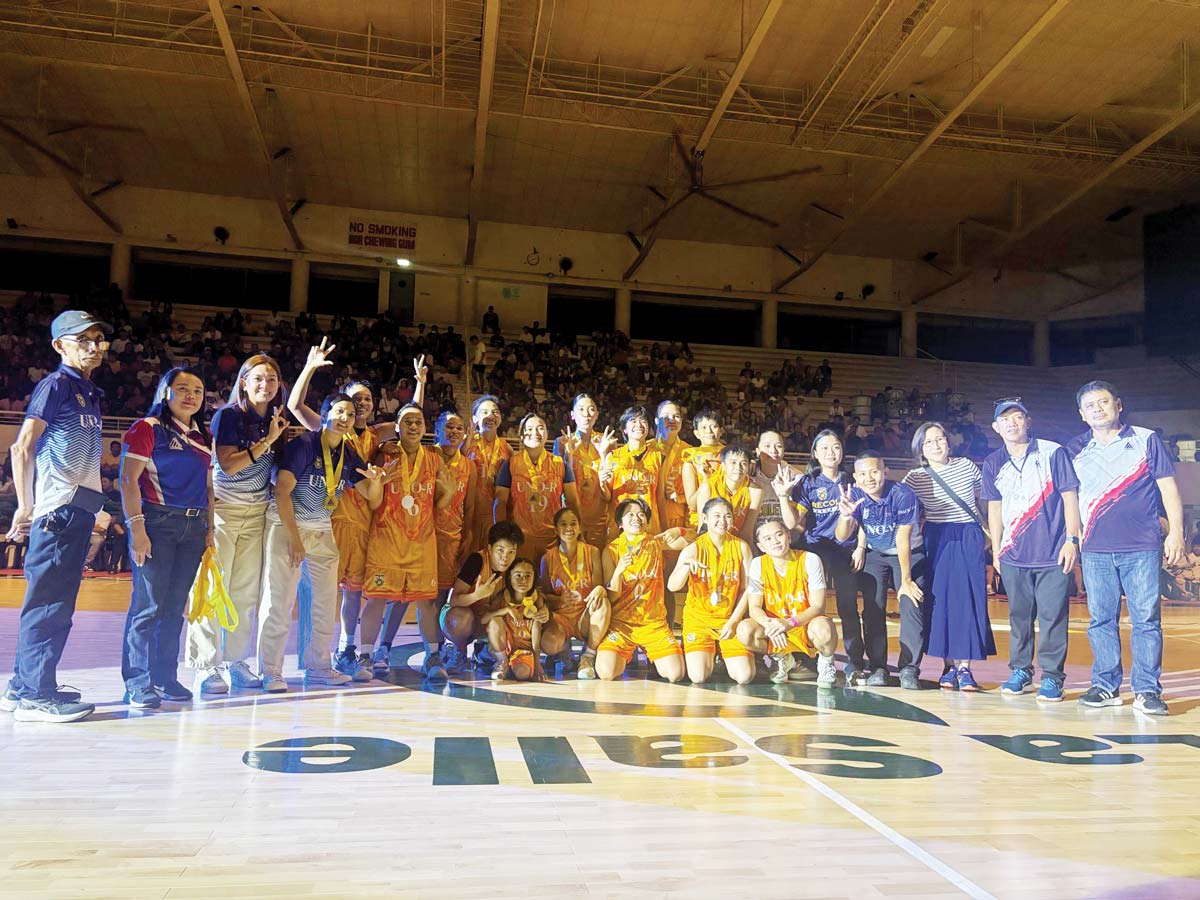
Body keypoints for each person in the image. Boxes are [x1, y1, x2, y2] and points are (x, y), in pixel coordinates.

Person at [288, 342, 428, 681]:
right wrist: (309, 368)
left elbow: (410, 418)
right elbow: (295, 406)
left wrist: (421, 384)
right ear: (341, 406)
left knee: (353, 591)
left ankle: (346, 649)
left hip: (365, 521)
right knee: (320, 592)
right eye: (355, 399)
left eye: (367, 399)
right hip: (329, 520)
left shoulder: (377, 434)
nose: (362, 404)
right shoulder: (329, 428)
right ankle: (311, 658)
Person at [2, 310, 111, 723]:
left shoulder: (88, 392)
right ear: (59, 345)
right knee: (50, 606)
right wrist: (27, 506)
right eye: (82, 338)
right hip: (58, 511)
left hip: (77, 508)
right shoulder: (56, 385)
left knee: (53, 603)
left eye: (97, 338)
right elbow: (21, 447)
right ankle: (35, 694)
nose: (93, 345)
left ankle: (22, 685)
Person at [1068, 381, 1183, 715]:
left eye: (1103, 402)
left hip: (1141, 546)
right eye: (1090, 405)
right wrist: (1073, 539)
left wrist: (1175, 532)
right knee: (1100, 619)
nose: (1098, 409)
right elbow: (1070, 501)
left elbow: (1168, 488)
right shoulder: (1074, 448)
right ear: (1082, 414)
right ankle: (1105, 686)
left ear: (1118, 404)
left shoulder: (1146, 439)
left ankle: (1147, 690)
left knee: (1146, 619)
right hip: (1095, 548)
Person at [257, 394, 385, 692]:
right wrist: (294, 538)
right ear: (325, 414)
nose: (345, 418)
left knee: (326, 602)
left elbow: (373, 499)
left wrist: (377, 481)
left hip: (321, 526)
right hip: (287, 524)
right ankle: (271, 670)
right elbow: (281, 492)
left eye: (350, 414)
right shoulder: (304, 445)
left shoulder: (349, 453)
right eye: (339, 411)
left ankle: (318, 666)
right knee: (280, 600)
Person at [186, 353, 289, 695]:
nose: (265, 385)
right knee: (213, 589)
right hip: (224, 511)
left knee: (245, 592)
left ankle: (235, 660)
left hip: (258, 512)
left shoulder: (277, 418)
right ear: (244, 382)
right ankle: (205, 665)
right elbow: (228, 466)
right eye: (258, 378)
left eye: (271, 379)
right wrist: (269, 442)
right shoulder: (228, 416)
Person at [119, 368, 215, 708]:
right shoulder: (147, 429)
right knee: (148, 607)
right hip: (157, 524)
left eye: (198, 391)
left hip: (193, 527)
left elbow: (208, 487)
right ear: (165, 392)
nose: (191, 395)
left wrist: (210, 529)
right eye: (183, 388)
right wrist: (137, 529)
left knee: (175, 609)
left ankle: (164, 676)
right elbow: (129, 481)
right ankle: (137, 680)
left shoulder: (202, 437)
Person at [983, 399, 1082, 703]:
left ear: (1028, 421)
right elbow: (995, 509)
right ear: (996, 428)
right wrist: (997, 550)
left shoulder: (1053, 452)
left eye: (1017, 417)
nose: (1011, 423)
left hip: (1053, 553)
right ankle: (1021, 672)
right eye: (1005, 419)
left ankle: (1052, 677)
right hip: (1013, 553)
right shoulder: (993, 462)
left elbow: (1069, 497)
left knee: (1053, 617)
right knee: (1019, 617)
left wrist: (1072, 539)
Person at [362, 404, 458, 680]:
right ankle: (367, 656)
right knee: (377, 599)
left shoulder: (434, 460)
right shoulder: (385, 455)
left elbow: (439, 506)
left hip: (421, 542)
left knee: (426, 602)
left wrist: (449, 492)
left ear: (425, 428)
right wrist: (379, 482)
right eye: (407, 422)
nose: (413, 427)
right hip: (387, 540)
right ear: (397, 427)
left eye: (418, 422)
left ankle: (432, 655)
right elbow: (374, 502)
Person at [903, 422, 994, 691]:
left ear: (948, 441)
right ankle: (947, 667)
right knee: (940, 601)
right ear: (920, 448)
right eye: (928, 442)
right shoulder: (914, 477)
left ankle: (964, 668)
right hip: (936, 537)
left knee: (967, 600)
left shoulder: (966, 466)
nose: (936, 445)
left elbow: (986, 499)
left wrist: (991, 533)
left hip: (967, 534)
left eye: (940, 439)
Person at [833, 451, 927, 690]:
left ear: (885, 471)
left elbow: (903, 539)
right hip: (876, 554)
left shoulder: (902, 494)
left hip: (907, 553)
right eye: (863, 474)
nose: (869, 478)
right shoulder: (854, 495)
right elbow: (841, 536)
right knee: (873, 608)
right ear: (856, 477)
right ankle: (878, 668)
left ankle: (909, 668)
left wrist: (906, 580)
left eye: (874, 472)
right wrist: (845, 517)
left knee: (911, 604)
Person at [788, 430, 864, 683]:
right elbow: (795, 521)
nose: (831, 452)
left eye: (836, 447)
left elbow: (865, 519)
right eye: (825, 448)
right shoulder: (808, 483)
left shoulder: (853, 480)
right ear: (815, 454)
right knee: (810, 605)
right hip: (816, 550)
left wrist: (861, 547)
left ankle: (854, 662)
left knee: (848, 607)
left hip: (845, 550)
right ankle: (808, 658)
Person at [736, 517, 838, 686]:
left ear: (788, 536)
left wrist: (789, 622)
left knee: (824, 627)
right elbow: (754, 607)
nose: (775, 541)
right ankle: (781, 657)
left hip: (803, 625)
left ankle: (826, 662)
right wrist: (770, 625)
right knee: (745, 631)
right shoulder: (758, 564)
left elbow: (818, 607)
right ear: (760, 546)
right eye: (767, 539)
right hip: (776, 629)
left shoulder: (810, 560)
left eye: (779, 535)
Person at [596, 498, 689, 682]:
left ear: (647, 521)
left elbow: (695, 539)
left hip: (653, 625)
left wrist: (679, 530)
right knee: (606, 673)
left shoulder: (655, 543)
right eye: (630, 515)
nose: (636, 518)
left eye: (641, 515)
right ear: (620, 523)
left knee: (676, 674)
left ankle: (651, 654)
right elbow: (611, 597)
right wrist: (618, 572)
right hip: (622, 625)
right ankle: (626, 654)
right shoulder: (611, 550)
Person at [667, 498, 753, 684]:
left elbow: (748, 589)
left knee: (744, 677)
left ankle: (722, 653)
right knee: (698, 677)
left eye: (727, 516)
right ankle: (709, 653)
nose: (722, 520)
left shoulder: (742, 547)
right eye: (716, 516)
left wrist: (733, 621)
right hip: (699, 622)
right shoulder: (694, 548)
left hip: (729, 619)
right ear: (704, 518)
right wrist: (685, 567)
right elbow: (672, 586)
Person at [441, 521, 524, 669]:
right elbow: (454, 600)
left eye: (511, 552)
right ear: (490, 548)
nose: (505, 557)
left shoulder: (514, 569)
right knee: (462, 619)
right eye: (500, 550)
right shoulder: (477, 561)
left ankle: (483, 651)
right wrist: (477, 595)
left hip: (486, 618)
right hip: (460, 615)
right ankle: (458, 649)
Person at [538, 508, 610, 679]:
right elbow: (545, 597)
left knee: (603, 603)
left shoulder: (591, 552)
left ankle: (588, 656)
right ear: (556, 529)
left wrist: (601, 588)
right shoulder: (547, 558)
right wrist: (560, 599)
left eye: (573, 524)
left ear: (579, 528)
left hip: (585, 615)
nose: (569, 528)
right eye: (563, 524)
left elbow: (598, 586)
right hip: (561, 618)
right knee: (549, 644)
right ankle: (563, 651)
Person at [494, 413, 580, 554]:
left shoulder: (560, 464)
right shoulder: (510, 464)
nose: (535, 433)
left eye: (540, 428)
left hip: (552, 539)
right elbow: (500, 502)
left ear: (547, 434)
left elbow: (573, 502)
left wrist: (576, 534)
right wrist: (502, 535)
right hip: (519, 540)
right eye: (529, 429)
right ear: (521, 436)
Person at [431, 410, 476, 668]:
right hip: (424, 535)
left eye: (459, 428)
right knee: (424, 596)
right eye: (449, 427)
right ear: (437, 429)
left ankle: (445, 648)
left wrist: (468, 534)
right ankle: (384, 647)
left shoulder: (468, 466)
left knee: (444, 596)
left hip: (453, 537)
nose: (454, 432)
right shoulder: (428, 457)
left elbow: (469, 507)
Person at [554, 393, 617, 548]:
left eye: (591, 409)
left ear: (596, 415)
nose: (586, 414)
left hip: (600, 515)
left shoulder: (606, 441)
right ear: (573, 415)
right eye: (581, 410)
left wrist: (603, 454)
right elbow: (557, 479)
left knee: (596, 564)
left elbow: (611, 481)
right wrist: (568, 455)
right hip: (572, 514)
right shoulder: (562, 442)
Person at [479, 557, 549, 681]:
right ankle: (501, 662)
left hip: (523, 651)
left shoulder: (537, 600)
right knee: (495, 620)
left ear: (534, 578)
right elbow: (483, 620)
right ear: (509, 577)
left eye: (528, 576)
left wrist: (537, 664)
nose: (523, 580)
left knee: (522, 674)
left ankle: (512, 667)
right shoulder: (501, 597)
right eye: (518, 575)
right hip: (504, 647)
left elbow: (536, 632)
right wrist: (506, 610)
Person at [601, 406, 666, 540]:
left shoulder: (659, 457)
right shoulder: (613, 457)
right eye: (633, 421)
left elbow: (659, 497)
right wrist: (602, 483)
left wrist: (664, 528)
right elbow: (607, 497)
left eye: (643, 420)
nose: (639, 425)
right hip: (620, 527)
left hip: (650, 527)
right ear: (624, 429)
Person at [465, 395, 512, 552]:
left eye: (495, 412)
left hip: (495, 515)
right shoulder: (466, 444)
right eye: (485, 412)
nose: (491, 416)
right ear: (475, 418)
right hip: (469, 515)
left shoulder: (507, 448)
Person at [693, 444, 763, 544]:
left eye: (743, 463)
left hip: (739, 543)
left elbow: (747, 531)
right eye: (733, 463)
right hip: (712, 540)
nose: (738, 468)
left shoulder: (755, 491)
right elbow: (703, 526)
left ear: (749, 466)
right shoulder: (708, 487)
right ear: (723, 466)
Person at [680, 409, 724, 526]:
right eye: (704, 428)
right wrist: (706, 480)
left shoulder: (730, 458)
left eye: (714, 426)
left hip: (726, 518)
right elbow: (693, 504)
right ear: (697, 434)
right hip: (700, 522)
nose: (709, 431)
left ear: (721, 431)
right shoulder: (691, 462)